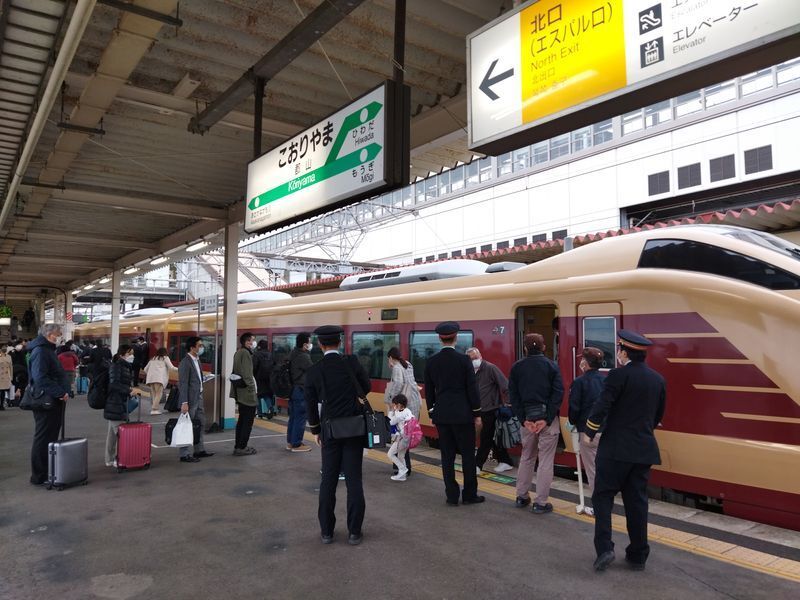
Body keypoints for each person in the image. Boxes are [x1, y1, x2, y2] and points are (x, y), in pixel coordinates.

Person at [586, 330, 666, 573]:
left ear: (623, 351)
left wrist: (590, 431)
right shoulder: (657, 379)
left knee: (602, 497)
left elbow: (602, 405)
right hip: (643, 450)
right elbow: (657, 416)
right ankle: (638, 555)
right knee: (637, 503)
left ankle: (605, 548)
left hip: (615, 451)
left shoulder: (617, 376)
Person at [304, 325, 371, 545]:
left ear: (321, 345)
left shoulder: (315, 370)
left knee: (328, 481)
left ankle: (327, 532)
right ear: (339, 343)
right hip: (353, 429)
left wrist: (315, 429)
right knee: (354, 481)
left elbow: (310, 404)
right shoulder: (351, 362)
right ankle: (354, 532)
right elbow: (366, 387)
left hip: (329, 431)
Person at [424, 321, 483, 506]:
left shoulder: (431, 362)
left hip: (442, 415)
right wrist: (477, 412)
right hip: (463, 414)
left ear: (440, 339)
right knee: (467, 455)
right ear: (456, 338)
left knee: (447, 456)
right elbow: (472, 389)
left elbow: (429, 391)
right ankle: (469, 494)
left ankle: (451, 495)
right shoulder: (464, 360)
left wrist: (432, 411)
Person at [508, 332, 564, 514]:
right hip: (547, 421)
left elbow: (513, 396)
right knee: (546, 461)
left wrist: (524, 419)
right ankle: (541, 503)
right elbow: (558, 394)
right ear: (544, 347)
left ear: (525, 348)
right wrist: (546, 419)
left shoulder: (517, 367)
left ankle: (521, 496)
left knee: (526, 457)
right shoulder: (552, 366)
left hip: (527, 421)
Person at [28, 323, 71, 486]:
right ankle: (39, 475)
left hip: (50, 400)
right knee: (43, 437)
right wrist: (59, 392)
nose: (60, 336)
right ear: (49, 334)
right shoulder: (41, 351)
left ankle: (47, 471)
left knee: (49, 436)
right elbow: (40, 378)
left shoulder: (46, 350)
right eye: (58, 334)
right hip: (46, 401)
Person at [568, 347, 606, 517]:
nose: (580, 362)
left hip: (588, 432)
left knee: (593, 471)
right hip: (607, 431)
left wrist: (572, 423)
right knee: (605, 469)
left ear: (586, 362)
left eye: (582, 359)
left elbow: (574, 410)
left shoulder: (579, 382)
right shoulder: (606, 380)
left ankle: (600, 508)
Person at [466, 347, 514, 475]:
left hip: (490, 409)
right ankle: (505, 461)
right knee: (493, 437)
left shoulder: (490, 368)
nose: (474, 361)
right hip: (476, 410)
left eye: (475, 358)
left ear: (480, 356)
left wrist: (509, 403)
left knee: (485, 438)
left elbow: (505, 385)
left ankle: (477, 465)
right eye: (471, 359)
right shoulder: (469, 371)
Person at [384, 347, 421, 476]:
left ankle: (401, 468)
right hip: (415, 403)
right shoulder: (408, 364)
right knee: (406, 435)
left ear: (390, 357)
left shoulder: (397, 368)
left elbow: (398, 384)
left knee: (399, 436)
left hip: (403, 406)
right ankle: (403, 467)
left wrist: (391, 400)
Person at [177, 336, 214, 463]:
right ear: (192, 347)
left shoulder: (197, 360)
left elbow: (196, 379)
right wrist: (184, 402)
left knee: (200, 423)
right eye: (199, 346)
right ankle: (184, 454)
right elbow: (183, 384)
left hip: (199, 397)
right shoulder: (185, 363)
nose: (202, 348)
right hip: (190, 400)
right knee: (186, 426)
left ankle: (199, 449)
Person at [104, 344, 141, 468]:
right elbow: (114, 384)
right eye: (129, 353)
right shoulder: (117, 366)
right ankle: (119, 459)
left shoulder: (123, 366)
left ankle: (109, 459)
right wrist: (129, 390)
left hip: (118, 402)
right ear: (122, 355)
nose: (132, 356)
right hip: (116, 403)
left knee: (112, 434)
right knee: (121, 434)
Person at [230, 332, 258, 456]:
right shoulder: (246, 354)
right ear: (247, 342)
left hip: (240, 393)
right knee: (247, 422)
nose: (254, 342)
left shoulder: (238, 352)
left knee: (241, 421)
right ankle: (242, 447)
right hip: (247, 394)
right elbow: (247, 374)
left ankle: (238, 446)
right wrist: (252, 389)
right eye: (252, 340)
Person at [286, 332, 313, 452]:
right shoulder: (303, 356)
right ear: (305, 344)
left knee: (293, 417)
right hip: (300, 390)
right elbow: (312, 370)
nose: (311, 344)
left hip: (293, 389)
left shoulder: (293, 353)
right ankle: (297, 444)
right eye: (309, 342)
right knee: (300, 417)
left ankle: (291, 443)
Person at [143, 347, 177, 415]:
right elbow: (171, 367)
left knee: (154, 394)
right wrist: (180, 369)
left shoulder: (153, 359)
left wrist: (150, 374)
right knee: (159, 394)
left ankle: (155, 409)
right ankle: (154, 409)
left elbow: (145, 369)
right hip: (159, 379)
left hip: (151, 379)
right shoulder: (165, 358)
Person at [387, 394, 413, 481]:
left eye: (394, 404)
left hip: (401, 438)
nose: (393, 406)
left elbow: (391, 422)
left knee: (390, 454)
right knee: (401, 456)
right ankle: (402, 476)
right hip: (407, 438)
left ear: (399, 404)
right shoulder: (408, 411)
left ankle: (402, 469)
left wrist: (391, 412)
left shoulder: (399, 415)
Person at [253, 339, 276, 418]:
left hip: (259, 378)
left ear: (259, 346)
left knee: (258, 395)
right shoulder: (271, 354)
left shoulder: (256, 354)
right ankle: (270, 408)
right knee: (266, 395)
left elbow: (254, 367)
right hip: (269, 378)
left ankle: (259, 413)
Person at [0, 345, 12, 409]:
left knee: (3, 391)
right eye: (3, 348)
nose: (4, 349)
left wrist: (11, 376)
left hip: (6, 376)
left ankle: (1, 405)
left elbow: (11, 367)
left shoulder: (9, 357)